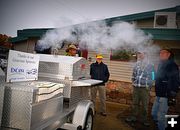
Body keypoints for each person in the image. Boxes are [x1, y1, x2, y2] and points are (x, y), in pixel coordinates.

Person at [151, 48, 179, 130]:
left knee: (161, 116)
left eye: (163, 53)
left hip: (166, 95)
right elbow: (155, 77)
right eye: (160, 53)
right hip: (158, 93)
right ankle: (160, 125)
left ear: (168, 54)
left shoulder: (172, 65)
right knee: (154, 114)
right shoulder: (160, 64)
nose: (161, 54)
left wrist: (173, 92)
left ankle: (161, 127)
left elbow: (176, 80)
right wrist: (152, 72)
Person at [126, 51, 154, 126]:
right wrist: (133, 81)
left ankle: (144, 119)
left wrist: (149, 85)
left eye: (142, 54)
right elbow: (134, 74)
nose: (140, 55)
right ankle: (133, 117)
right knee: (135, 103)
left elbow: (153, 76)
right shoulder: (137, 64)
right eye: (139, 54)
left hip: (145, 88)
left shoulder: (150, 65)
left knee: (144, 105)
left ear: (146, 55)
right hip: (136, 87)